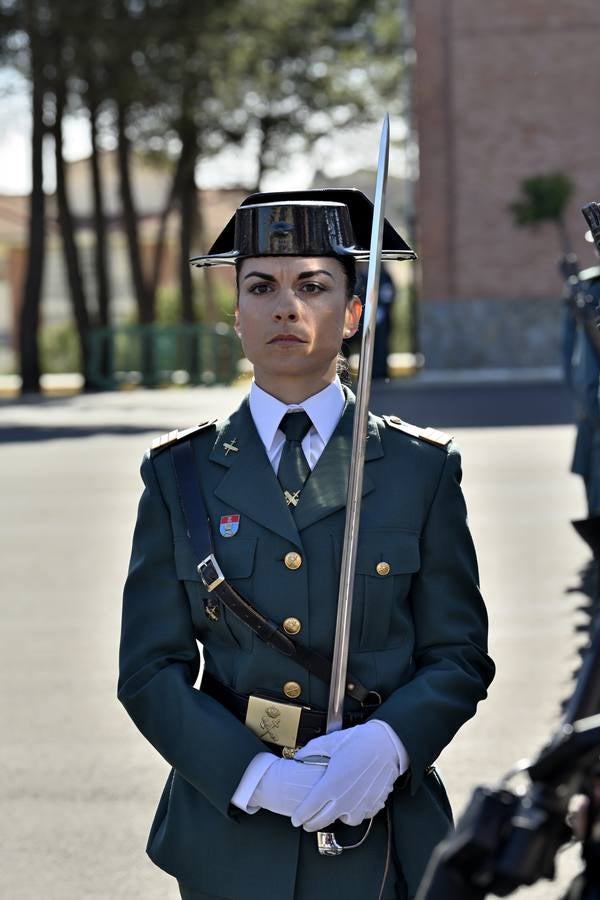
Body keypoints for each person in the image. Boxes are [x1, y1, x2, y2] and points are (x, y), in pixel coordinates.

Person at [118, 189, 495, 900]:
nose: (285, 306)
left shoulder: (420, 469)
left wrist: (388, 746)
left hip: (375, 825)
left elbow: (459, 655)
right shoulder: (182, 471)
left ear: (352, 315)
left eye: (313, 286)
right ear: (236, 317)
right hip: (231, 834)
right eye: (260, 287)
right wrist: (257, 777)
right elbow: (148, 669)